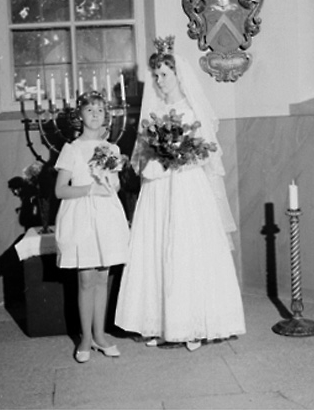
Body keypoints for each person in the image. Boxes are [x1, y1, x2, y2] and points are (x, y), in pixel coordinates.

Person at [115, 36, 246, 351]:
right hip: (159, 189)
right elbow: (144, 153)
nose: (159, 80)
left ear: (178, 75)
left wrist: (177, 158)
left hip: (186, 186)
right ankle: (161, 323)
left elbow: (205, 153)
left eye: (164, 74)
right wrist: (154, 161)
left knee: (186, 249)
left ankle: (193, 325)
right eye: (156, 75)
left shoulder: (191, 109)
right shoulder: (154, 112)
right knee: (158, 248)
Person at [55, 91, 130, 363]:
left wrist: (109, 181)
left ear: (106, 116)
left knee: (102, 277)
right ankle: (85, 338)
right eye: (89, 110)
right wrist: (89, 189)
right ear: (80, 116)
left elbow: (115, 186)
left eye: (100, 110)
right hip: (81, 216)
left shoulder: (112, 149)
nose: (95, 114)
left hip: (106, 216)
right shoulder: (72, 149)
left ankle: (100, 335)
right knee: (86, 279)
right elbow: (60, 190)